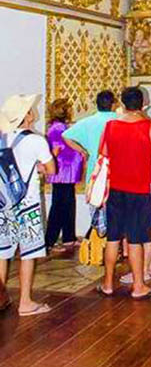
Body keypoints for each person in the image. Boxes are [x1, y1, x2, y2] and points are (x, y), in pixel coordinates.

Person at [98, 87, 151, 299]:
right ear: (142, 102)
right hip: (139, 189)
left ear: (123, 103)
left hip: (116, 188)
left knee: (113, 238)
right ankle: (139, 286)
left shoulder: (110, 126)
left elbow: (105, 153)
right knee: (136, 239)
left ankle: (107, 283)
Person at [0, 94, 56, 316]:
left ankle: (1, 297)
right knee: (28, 253)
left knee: (2, 252)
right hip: (27, 205)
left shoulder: (2, 138)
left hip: (3, 204)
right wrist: (39, 168)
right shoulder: (36, 140)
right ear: (28, 116)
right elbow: (51, 169)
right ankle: (25, 302)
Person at [45, 98, 84, 253]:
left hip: (67, 173)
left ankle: (69, 237)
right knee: (59, 206)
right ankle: (49, 241)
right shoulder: (57, 128)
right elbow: (58, 149)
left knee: (68, 204)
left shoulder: (61, 127)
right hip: (62, 172)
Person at [62, 90, 118, 186]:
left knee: (95, 198)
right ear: (113, 105)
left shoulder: (88, 122)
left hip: (95, 168)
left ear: (97, 105)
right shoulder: (121, 120)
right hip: (118, 169)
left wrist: (83, 151)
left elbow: (66, 136)